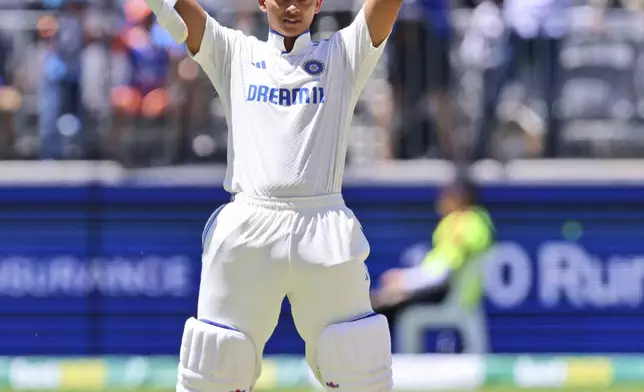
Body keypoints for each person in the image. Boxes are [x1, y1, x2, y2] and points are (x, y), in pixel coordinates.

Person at [144, 0, 403, 391]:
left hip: (324, 229)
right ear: (263, 1)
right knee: (214, 367)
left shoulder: (342, 55)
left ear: (318, 4)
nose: (292, 7)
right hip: (249, 228)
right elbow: (177, 12)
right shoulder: (235, 52)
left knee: (359, 370)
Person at [371, 179, 494, 335]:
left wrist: (404, 281)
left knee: (388, 309)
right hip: (459, 296)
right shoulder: (478, 222)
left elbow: (440, 273)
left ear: (459, 199)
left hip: (453, 297)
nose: (439, 202)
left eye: (444, 196)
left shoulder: (460, 225)